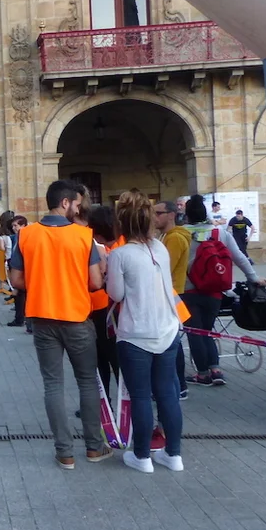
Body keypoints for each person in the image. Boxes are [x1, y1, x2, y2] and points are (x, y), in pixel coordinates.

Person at [9, 180, 110, 470]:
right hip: (77, 318)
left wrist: (43, 283)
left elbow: (16, 280)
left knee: (53, 384)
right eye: (76, 204)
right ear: (65, 203)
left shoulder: (26, 235)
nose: (78, 209)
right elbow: (95, 282)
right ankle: (94, 447)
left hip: (42, 319)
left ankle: (64, 452)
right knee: (87, 381)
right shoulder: (83, 236)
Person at [106, 191, 184, 474]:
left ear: (122, 223)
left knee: (140, 397)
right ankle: (173, 454)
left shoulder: (120, 255)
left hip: (136, 333)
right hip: (167, 328)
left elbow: (116, 294)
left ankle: (142, 456)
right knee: (167, 394)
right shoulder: (160, 247)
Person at [181, 195, 265, 386]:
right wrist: (254, 278)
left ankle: (203, 374)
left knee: (194, 332)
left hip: (188, 291)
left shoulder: (180, 234)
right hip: (215, 291)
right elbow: (239, 257)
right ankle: (216, 370)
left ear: (187, 215)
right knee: (207, 330)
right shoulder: (219, 232)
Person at [154, 200, 192, 399]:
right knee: (170, 342)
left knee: (172, 343)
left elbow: (163, 269)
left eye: (158, 213)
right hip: (168, 293)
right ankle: (176, 385)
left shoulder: (175, 238)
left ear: (171, 215)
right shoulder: (165, 236)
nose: (154, 217)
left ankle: (180, 386)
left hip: (172, 293)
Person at [85, 205, 121, 397]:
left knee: (112, 358)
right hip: (101, 308)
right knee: (101, 358)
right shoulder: (114, 245)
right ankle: (104, 402)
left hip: (107, 310)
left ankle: (123, 402)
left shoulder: (118, 250)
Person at [6, 216, 30, 329]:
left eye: (16, 225)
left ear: (23, 225)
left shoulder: (26, 237)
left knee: (20, 295)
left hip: (22, 271)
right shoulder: (17, 236)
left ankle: (21, 319)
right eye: (13, 226)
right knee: (18, 295)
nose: (14, 228)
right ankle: (21, 318)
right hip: (18, 270)